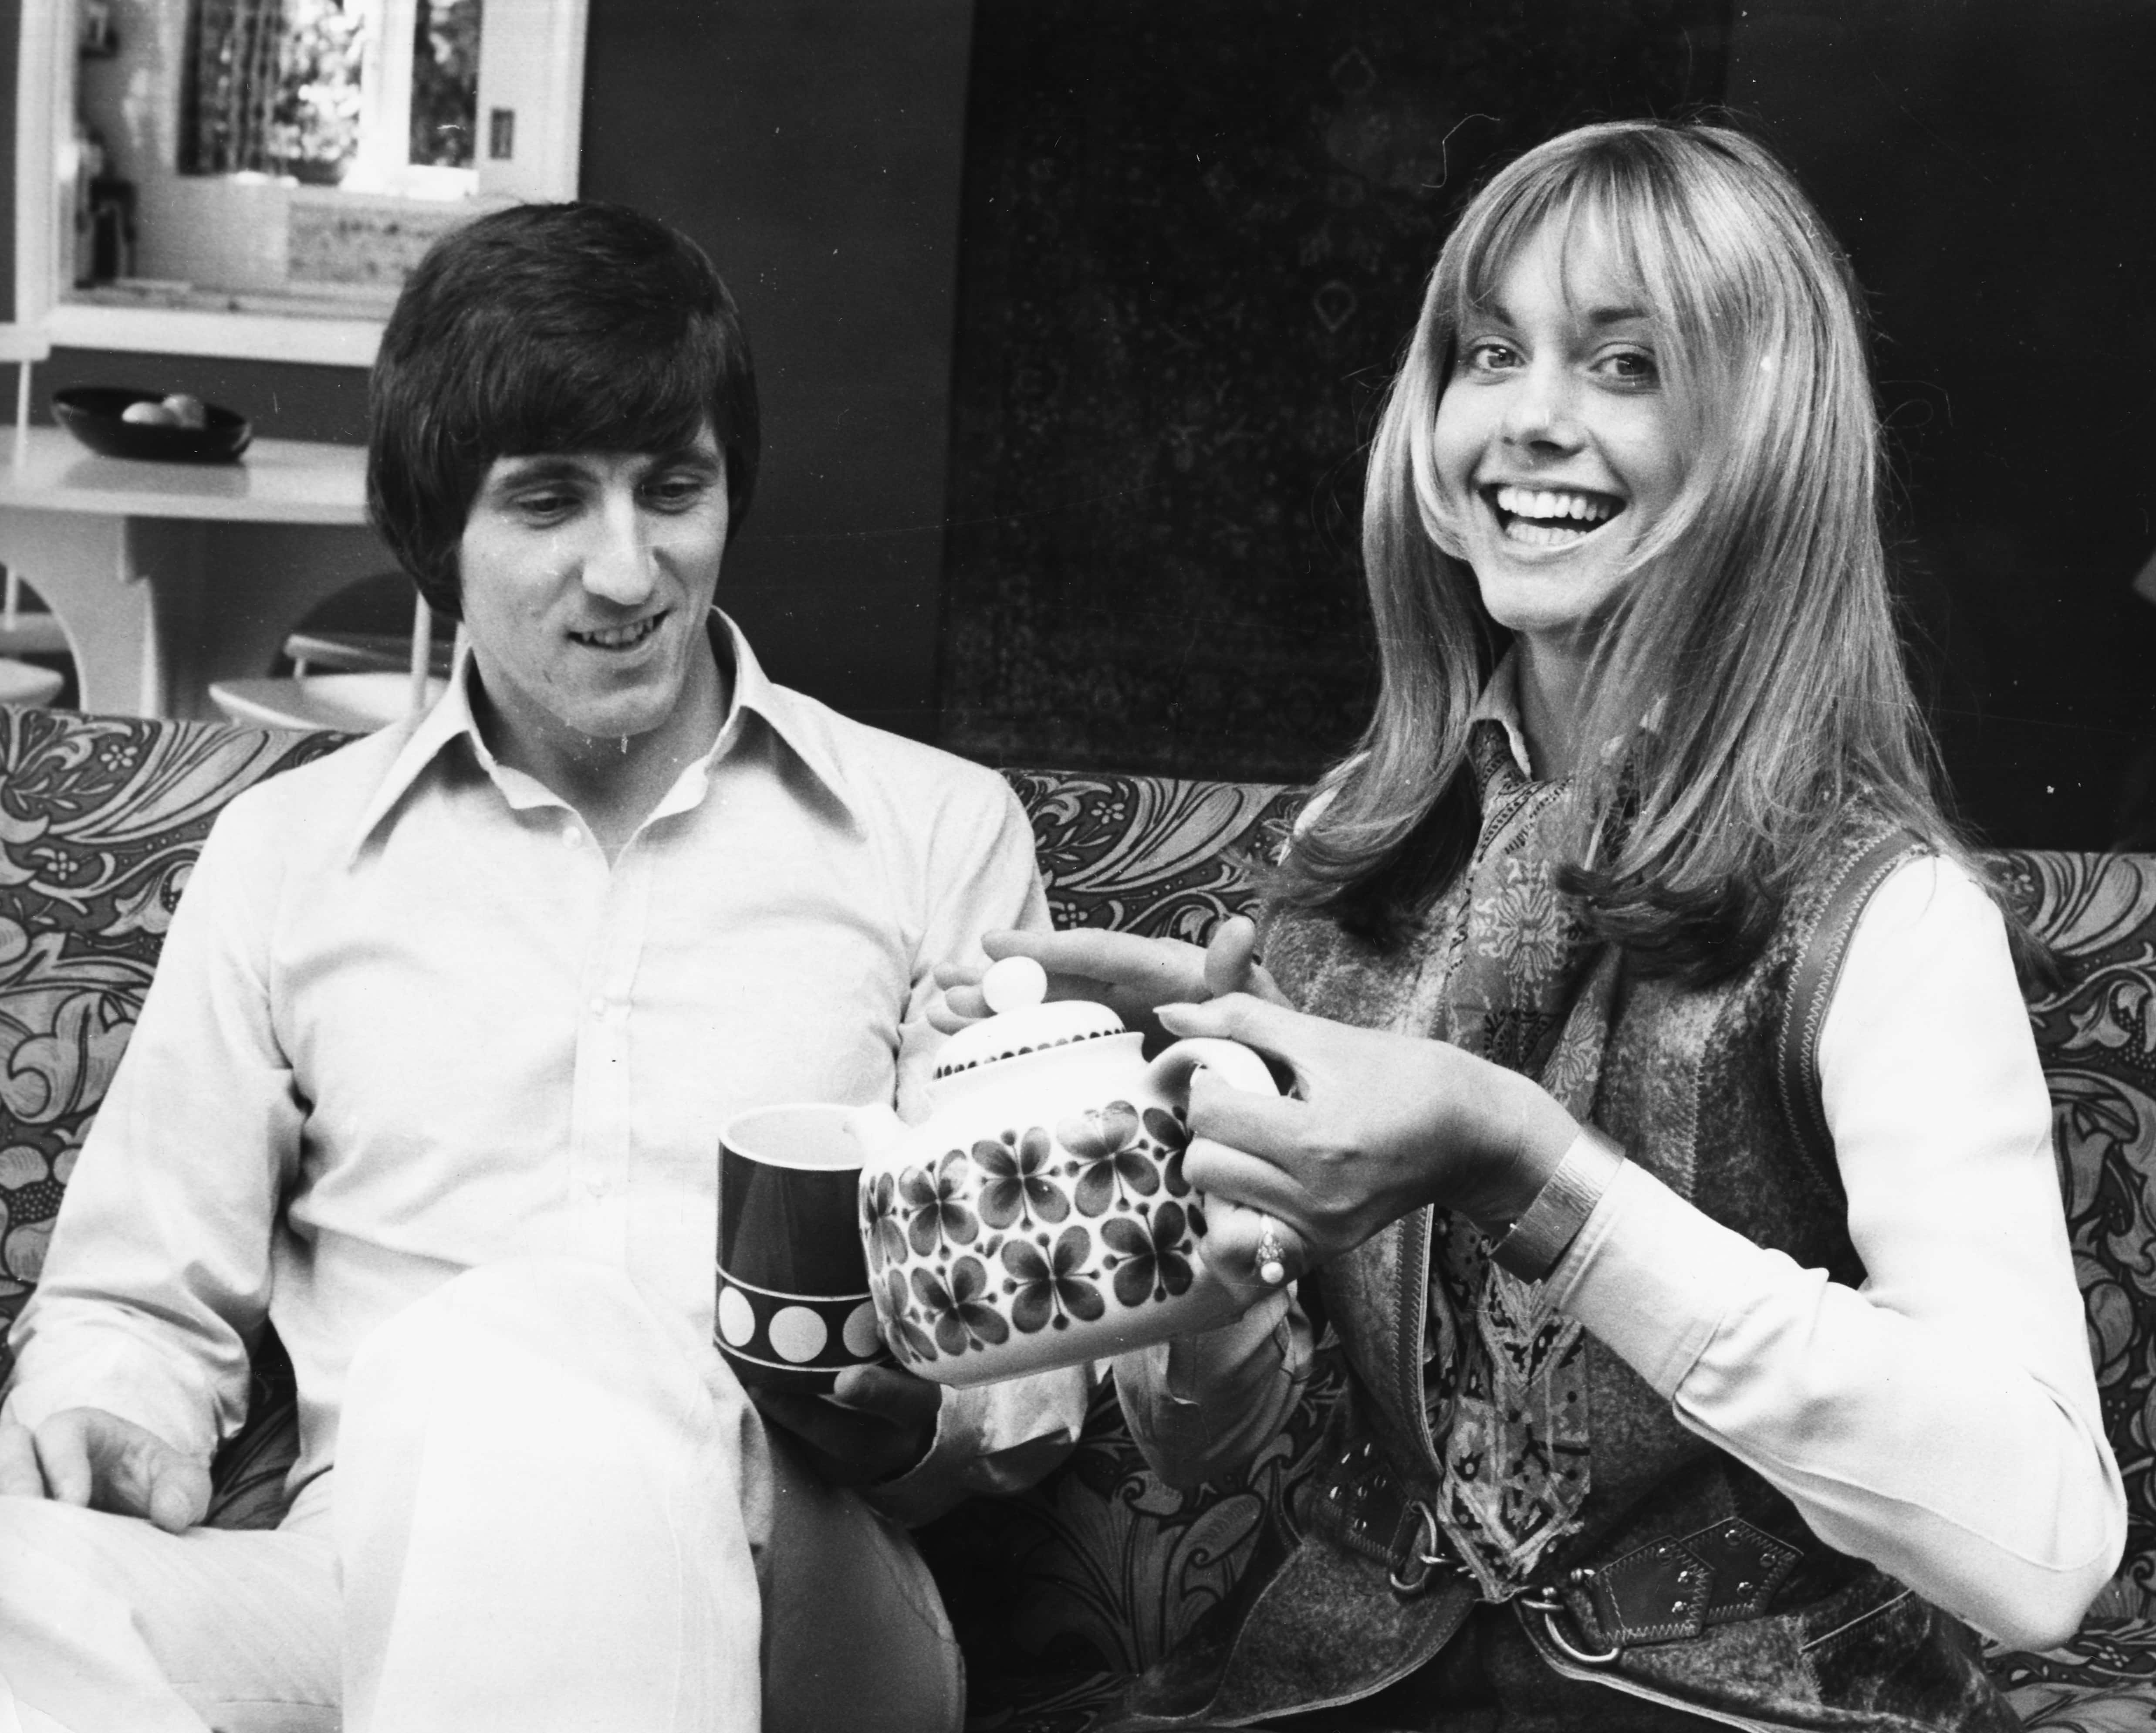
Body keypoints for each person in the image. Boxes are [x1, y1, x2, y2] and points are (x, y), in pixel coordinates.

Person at [939, 121, 2125, 1730]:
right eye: (1491, 351)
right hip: (1335, 1685)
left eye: (1626, 364)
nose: (1531, 419)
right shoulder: (1356, 844)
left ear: (1765, 433)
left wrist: (1536, 1169)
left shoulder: (1886, 913)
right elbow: (1205, 1450)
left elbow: (2048, 1546)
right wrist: (1181, 1232)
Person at [0, 202, 1090, 1733]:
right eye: (549, 502)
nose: (628, 569)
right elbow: (129, 1294)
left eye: (675, 490)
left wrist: (930, 1399)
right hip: (361, 1587)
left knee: (522, 1344)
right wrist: (102, 1415)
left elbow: (1035, 1351)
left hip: (801, 1589)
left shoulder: (929, 832)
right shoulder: (287, 856)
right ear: (438, 537)